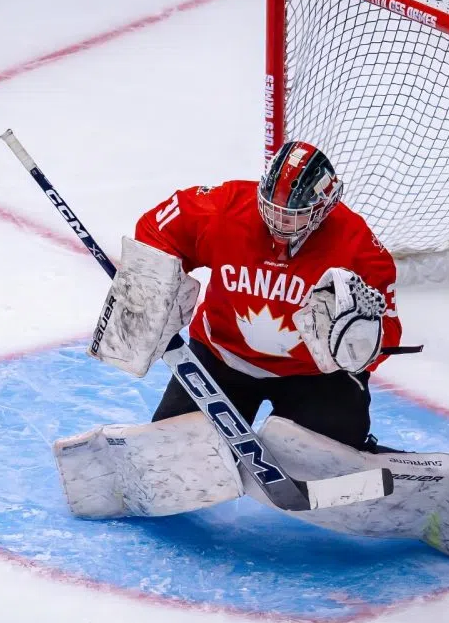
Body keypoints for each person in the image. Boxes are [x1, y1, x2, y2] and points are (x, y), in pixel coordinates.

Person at [127, 141, 403, 452]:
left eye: (295, 215)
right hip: (222, 356)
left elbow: (388, 331)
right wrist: (155, 283)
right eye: (274, 210)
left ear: (325, 206)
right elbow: (155, 229)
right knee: (177, 454)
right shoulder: (226, 208)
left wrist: (357, 341)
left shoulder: (358, 246)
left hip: (312, 375)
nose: (280, 223)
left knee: (327, 456)